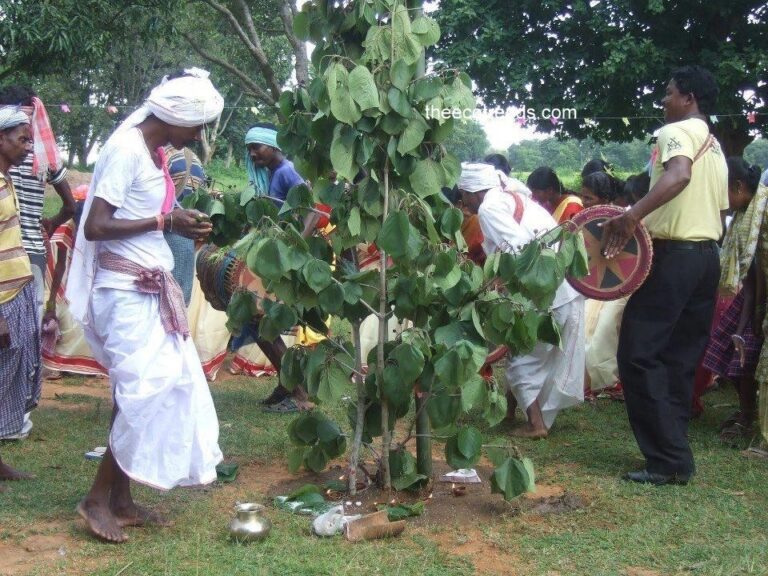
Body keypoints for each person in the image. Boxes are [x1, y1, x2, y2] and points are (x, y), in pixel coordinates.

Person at [66, 69, 224, 542]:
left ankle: (122, 498)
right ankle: (95, 500)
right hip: (124, 291)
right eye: (196, 125)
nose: (198, 135)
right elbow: (94, 225)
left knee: (142, 391)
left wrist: (172, 223)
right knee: (143, 390)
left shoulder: (152, 154)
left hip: (147, 290)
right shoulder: (124, 151)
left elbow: (143, 216)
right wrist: (164, 219)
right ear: (174, 118)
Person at [602, 65, 728, 485]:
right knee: (679, 356)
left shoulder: (674, 132)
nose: (663, 101)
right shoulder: (715, 147)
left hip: (674, 256)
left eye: (669, 93)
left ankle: (668, 459)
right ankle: (674, 449)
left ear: (688, 97)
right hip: (707, 257)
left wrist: (630, 216)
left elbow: (678, 175)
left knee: (637, 352)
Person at [459, 163, 585, 438]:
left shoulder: (489, 208)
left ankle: (536, 424)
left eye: (463, 193)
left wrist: (496, 286)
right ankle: (509, 412)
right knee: (529, 353)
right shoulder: (514, 197)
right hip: (565, 289)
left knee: (521, 360)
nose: (462, 200)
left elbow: (519, 250)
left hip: (543, 293)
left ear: (472, 191)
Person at [701, 158, 765, 443]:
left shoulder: (761, 214)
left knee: (749, 361)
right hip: (753, 294)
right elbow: (751, 274)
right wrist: (745, 322)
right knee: (732, 352)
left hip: (763, 297)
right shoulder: (743, 217)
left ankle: (753, 420)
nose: (719, 199)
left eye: (722, 191)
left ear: (738, 186)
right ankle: (747, 414)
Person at [0, 87, 75, 322]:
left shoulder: (12, 149)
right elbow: (71, 206)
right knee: (28, 328)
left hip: (7, 257)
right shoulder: (44, 155)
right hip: (32, 253)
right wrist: (49, 225)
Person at [0, 106, 39, 487]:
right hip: (2, 298)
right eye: (22, 139)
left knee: (10, 373)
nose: (28, 146)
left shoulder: (6, 178)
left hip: (17, 288)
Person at [580, 171, 627, 401]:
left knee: (602, 333)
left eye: (588, 198)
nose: (583, 203)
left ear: (603, 197)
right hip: (593, 286)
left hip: (620, 287)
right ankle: (586, 383)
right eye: (583, 197)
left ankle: (607, 382)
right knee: (583, 328)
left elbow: (632, 260)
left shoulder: (621, 219)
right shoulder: (583, 219)